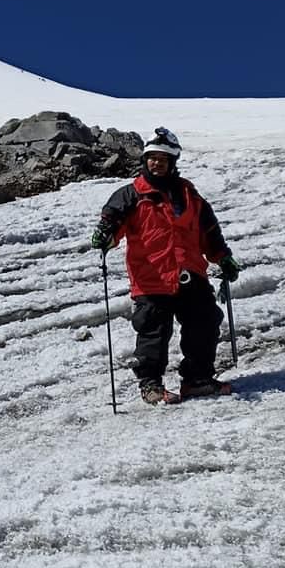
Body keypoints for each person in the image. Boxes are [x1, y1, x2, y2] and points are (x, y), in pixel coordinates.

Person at [91, 127, 241, 405]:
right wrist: (105, 237)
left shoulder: (191, 196)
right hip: (151, 278)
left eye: (163, 158)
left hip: (190, 273)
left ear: (173, 162)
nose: (156, 163)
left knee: (205, 323)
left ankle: (197, 380)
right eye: (152, 157)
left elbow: (209, 233)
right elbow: (111, 225)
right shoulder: (130, 195)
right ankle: (151, 386)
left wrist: (223, 257)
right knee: (153, 332)